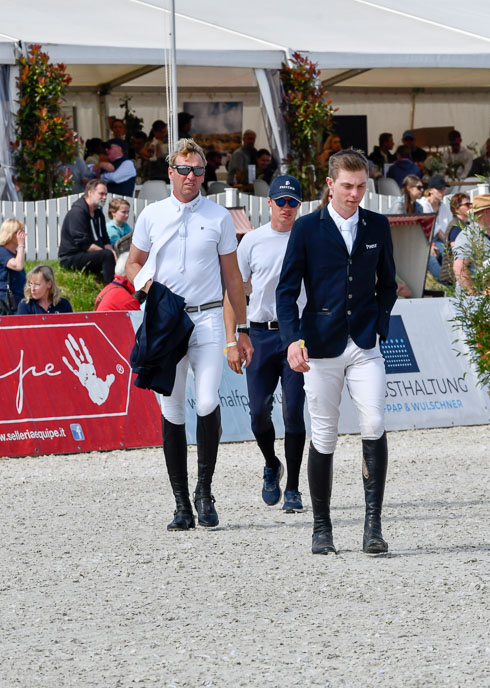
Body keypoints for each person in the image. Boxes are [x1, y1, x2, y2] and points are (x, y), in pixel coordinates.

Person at [126, 138, 253, 532]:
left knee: (208, 401)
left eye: (198, 170)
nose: (191, 177)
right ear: (170, 172)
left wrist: (241, 330)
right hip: (166, 321)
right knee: (172, 408)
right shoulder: (152, 215)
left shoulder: (218, 217)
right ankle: (181, 503)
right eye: (184, 169)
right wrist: (149, 288)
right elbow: (132, 264)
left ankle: (204, 490)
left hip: (209, 319)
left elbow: (233, 278)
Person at [276, 149, 397, 556]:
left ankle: (373, 526)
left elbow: (388, 285)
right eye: (347, 186)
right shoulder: (307, 228)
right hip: (321, 345)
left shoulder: (377, 225)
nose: (354, 193)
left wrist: (379, 325)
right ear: (330, 184)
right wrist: (292, 339)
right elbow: (287, 290)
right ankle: (321, 527)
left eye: (361, 186)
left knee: (374, 421)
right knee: (324, 433)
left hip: (365, 343)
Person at [223, 175, 307, 513]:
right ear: (269, 203)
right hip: (259, 333)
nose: (286, 208)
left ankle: (294, 487)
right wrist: (232, 338)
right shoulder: (253, 241)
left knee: (293, 413)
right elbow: (234, 291)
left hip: (296, 334)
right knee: (258, 413)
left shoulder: (308, 239)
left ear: (299, 206)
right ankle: (272, 463)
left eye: (293, 202)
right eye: (281, 201)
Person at [58, 179, 116, 284]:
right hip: (71, 257)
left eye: (106, 194)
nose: (104, 197)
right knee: (107, 256)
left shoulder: (99, 214)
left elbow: (105, 239)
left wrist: (113, 253)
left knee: (113, 253)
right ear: (90, 193)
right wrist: (108, 254)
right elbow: (84, 244)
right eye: (101, 194)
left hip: (88, 255)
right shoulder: (77, 213)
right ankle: (112, 289)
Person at [453, 194, 490, 293]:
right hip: (475, 302)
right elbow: (459, 267)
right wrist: (473, 293)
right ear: (484, 212)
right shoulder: (468, 236)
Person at [440, 192, 472, 285]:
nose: (470, 206)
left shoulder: (463, 224)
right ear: (456, 208)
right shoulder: (456, 226)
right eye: (467, 204)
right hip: (452, 278)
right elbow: (457, 252)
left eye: (470, 203)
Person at [0, 218, 26, 311]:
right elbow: (17, 266)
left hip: (18, 299)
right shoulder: (2, 251)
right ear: (10, 234)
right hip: (5, 303)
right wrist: (21, 245)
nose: (22, 235)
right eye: (19, 232)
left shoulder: (16, 253)